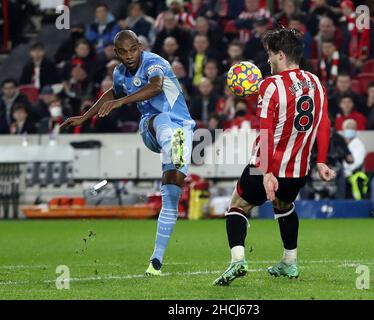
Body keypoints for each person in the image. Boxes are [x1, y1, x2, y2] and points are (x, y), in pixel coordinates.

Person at [60, 30, 195, 276]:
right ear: (116, 53)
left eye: (133, 49)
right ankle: (171, 144)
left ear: (140, 45)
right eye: (123, 51)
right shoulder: (120, 72)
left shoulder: (155, 63)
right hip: (152, 128)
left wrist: (120, 103)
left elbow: (155, 87)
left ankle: (156, 261)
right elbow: (113, 92)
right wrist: (84, 117)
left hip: (183, 129)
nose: (129, 55)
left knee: (172, 192)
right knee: (161, 118)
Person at [213, 28, 335, 286]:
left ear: (280, 54)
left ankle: (237, 261)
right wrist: (321, 160)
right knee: (284, 206)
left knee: (238, 206)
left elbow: (266, 132)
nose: (267, 60)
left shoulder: (270, 85)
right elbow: (324, 124)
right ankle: (289, 263)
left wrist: (267, 172)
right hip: (299, 171)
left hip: (266, 167)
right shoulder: (315, 82)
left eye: (270, 54)